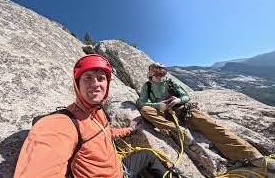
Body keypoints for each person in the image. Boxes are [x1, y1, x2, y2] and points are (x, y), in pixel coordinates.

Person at [14, 55, 182, 178]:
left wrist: (130, 129)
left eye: (101, 78)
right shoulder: (61, 124)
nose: (95, 84)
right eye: (88, 78)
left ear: (107, 85)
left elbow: (106, 133)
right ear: (77, 84)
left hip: (120, 170)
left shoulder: (98, 112)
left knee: (148, 155)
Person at [136, 63, 275, 173]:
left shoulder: (170, 83)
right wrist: (158, 105)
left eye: (159, 74)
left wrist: (177, 101)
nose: (158, 77)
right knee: (145, 110)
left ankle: (254, 157)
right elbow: (141, 102)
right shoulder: (147, 86)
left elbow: (186, 97)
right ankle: (176, 130)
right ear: (151, 74)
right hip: (165, 114)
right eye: (155, 74)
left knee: (214, 127)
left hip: (183, 110)